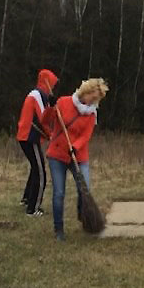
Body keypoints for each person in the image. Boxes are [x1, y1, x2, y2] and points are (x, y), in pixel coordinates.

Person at [41, 78, 109, 241]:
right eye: (92, 97)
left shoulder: (92, 114)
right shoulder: (64, 102)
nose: (93, 101)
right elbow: (45, 121)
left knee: (84, 189)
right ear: (85, 91)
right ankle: (59, 230)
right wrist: (50, 107)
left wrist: (75, 147)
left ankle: (84, 214)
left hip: (78, 156)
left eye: (96, 99)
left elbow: (85, 136)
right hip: (57, 155)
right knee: (59, 193)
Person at [16, 69, 58, 217]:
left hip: (26, 136)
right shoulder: (38, 95)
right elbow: (43, 119)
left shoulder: (37, 94)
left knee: (35, 167)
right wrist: (51, 135)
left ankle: (27, 198)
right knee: (41, 173)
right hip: (30, 136)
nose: (53, 87)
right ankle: (33, 209)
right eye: (53, 83)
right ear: (47, 82)